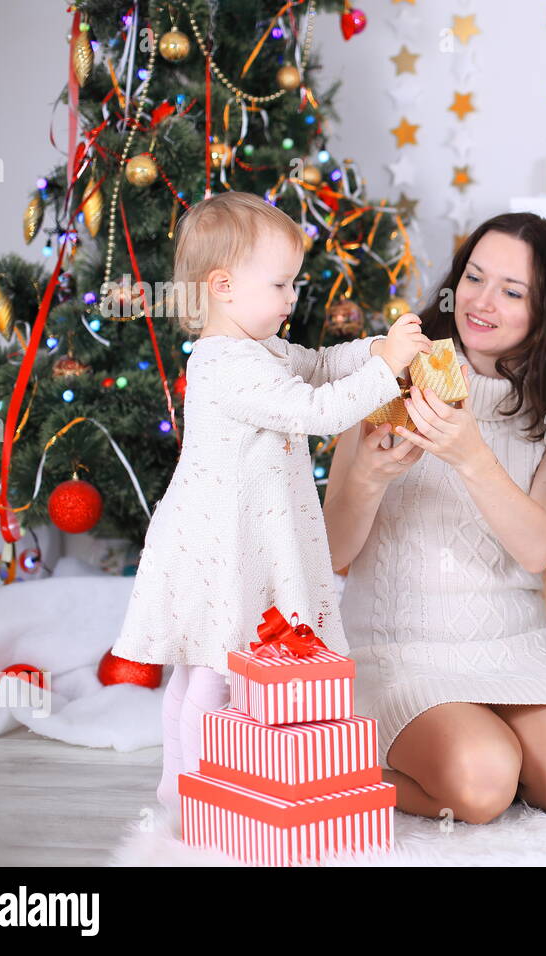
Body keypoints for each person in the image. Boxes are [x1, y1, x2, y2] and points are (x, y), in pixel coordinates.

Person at [111, 191, 430, 817]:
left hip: (245, 532)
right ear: (223, 286)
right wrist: (386, 369)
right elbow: (319, 411)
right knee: (213, 668)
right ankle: (193, 789)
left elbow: (317, 365)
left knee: (209, 667)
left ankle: (188, 783)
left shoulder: (262, 349)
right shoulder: (225, 363)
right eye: (281, 284)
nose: (292, 299)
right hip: (223, 540)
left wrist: (374, 350)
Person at [324, 213, 546, 824]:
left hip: (515, 644)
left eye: (513, 292)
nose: (481, 303)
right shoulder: (393, 370)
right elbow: (332, 551)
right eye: (474, 278)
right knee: (482, 785)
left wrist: (470, 454)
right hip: (402, 648)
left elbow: (538, 547)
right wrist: (368, 478)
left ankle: (488, 748)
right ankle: (335, 769)